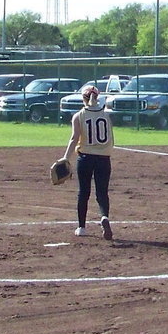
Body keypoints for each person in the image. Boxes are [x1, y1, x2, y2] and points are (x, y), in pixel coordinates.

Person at [63, 85, 115, 240]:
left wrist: (66, 158)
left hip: (85, 158)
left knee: (83, 192)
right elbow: (112, 138)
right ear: (97, 97)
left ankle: (82, 227)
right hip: (104, 158)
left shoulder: (79, 115)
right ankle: (104, 216)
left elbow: (74, 139)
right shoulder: (106, 115)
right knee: (102, 192)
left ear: (83, 98)